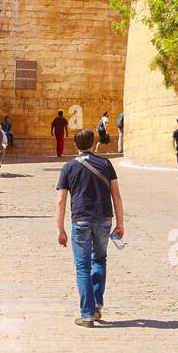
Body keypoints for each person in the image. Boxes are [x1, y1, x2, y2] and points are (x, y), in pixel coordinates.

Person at [56, 128, 125, 328]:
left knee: (82, 266)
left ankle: (87, 315)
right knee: (99, 260)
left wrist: (60, 229)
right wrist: (120, 223)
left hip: (81, 220)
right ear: (94, 144)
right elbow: (116, 195)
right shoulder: (106, 164)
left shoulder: (69, 167)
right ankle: (96, 306)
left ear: (75, 145)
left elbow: (61, 201)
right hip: (104, 218)